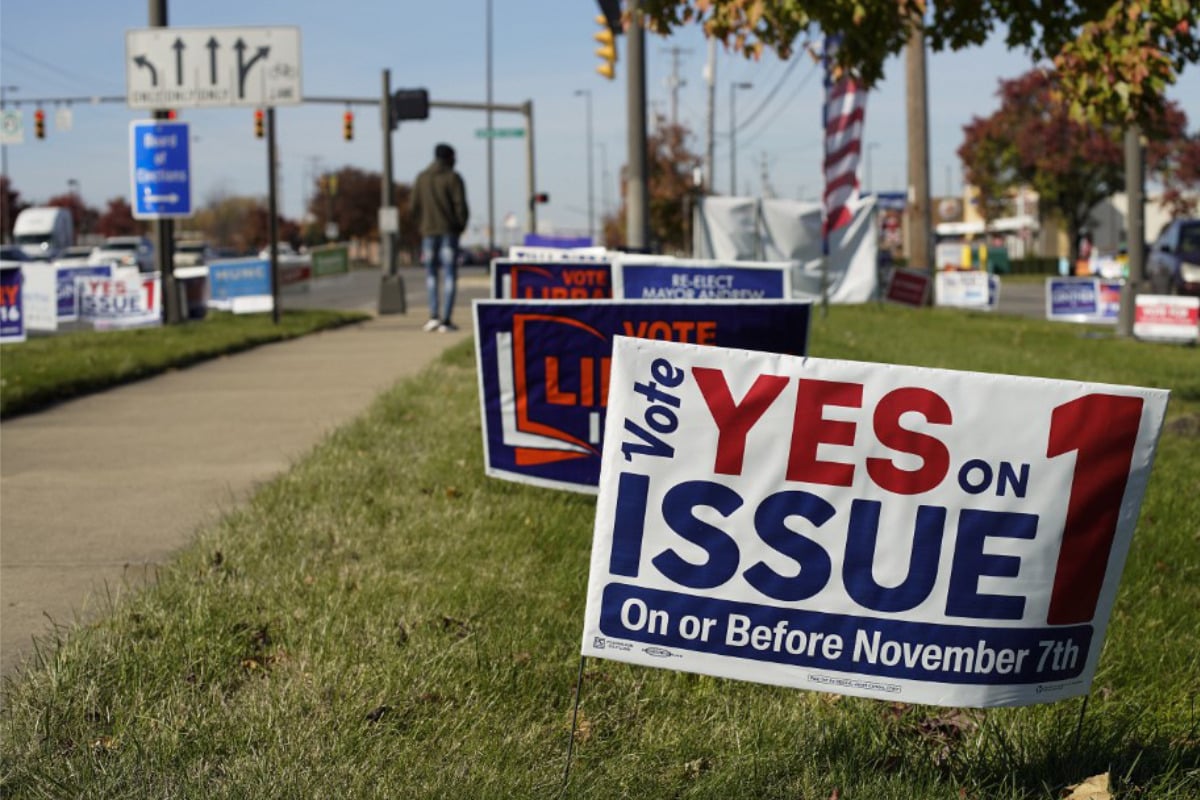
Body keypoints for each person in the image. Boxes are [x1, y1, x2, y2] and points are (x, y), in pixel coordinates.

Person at [411, 143, 469, 332]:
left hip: (428, 233)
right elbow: (460, 206)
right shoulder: (453, 178)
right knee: (450, 275)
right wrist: (459, 226)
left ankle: (433, 316)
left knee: (431, 275)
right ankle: (446, 319)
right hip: (448, 232)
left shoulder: (422, 178)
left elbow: (414, 207)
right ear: (449, 158)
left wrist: (421, 226)